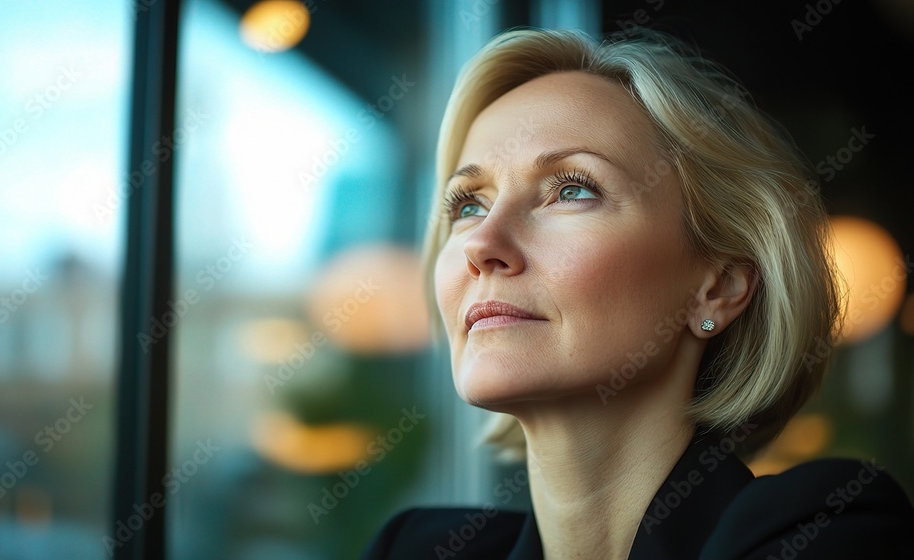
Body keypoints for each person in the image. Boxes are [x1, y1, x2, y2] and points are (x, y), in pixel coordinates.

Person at [360, 27, 914, 559]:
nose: (483, 241)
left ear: (717, 287)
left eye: (572, 190)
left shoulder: (824, 530)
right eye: (468, 204)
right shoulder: (414, 548)